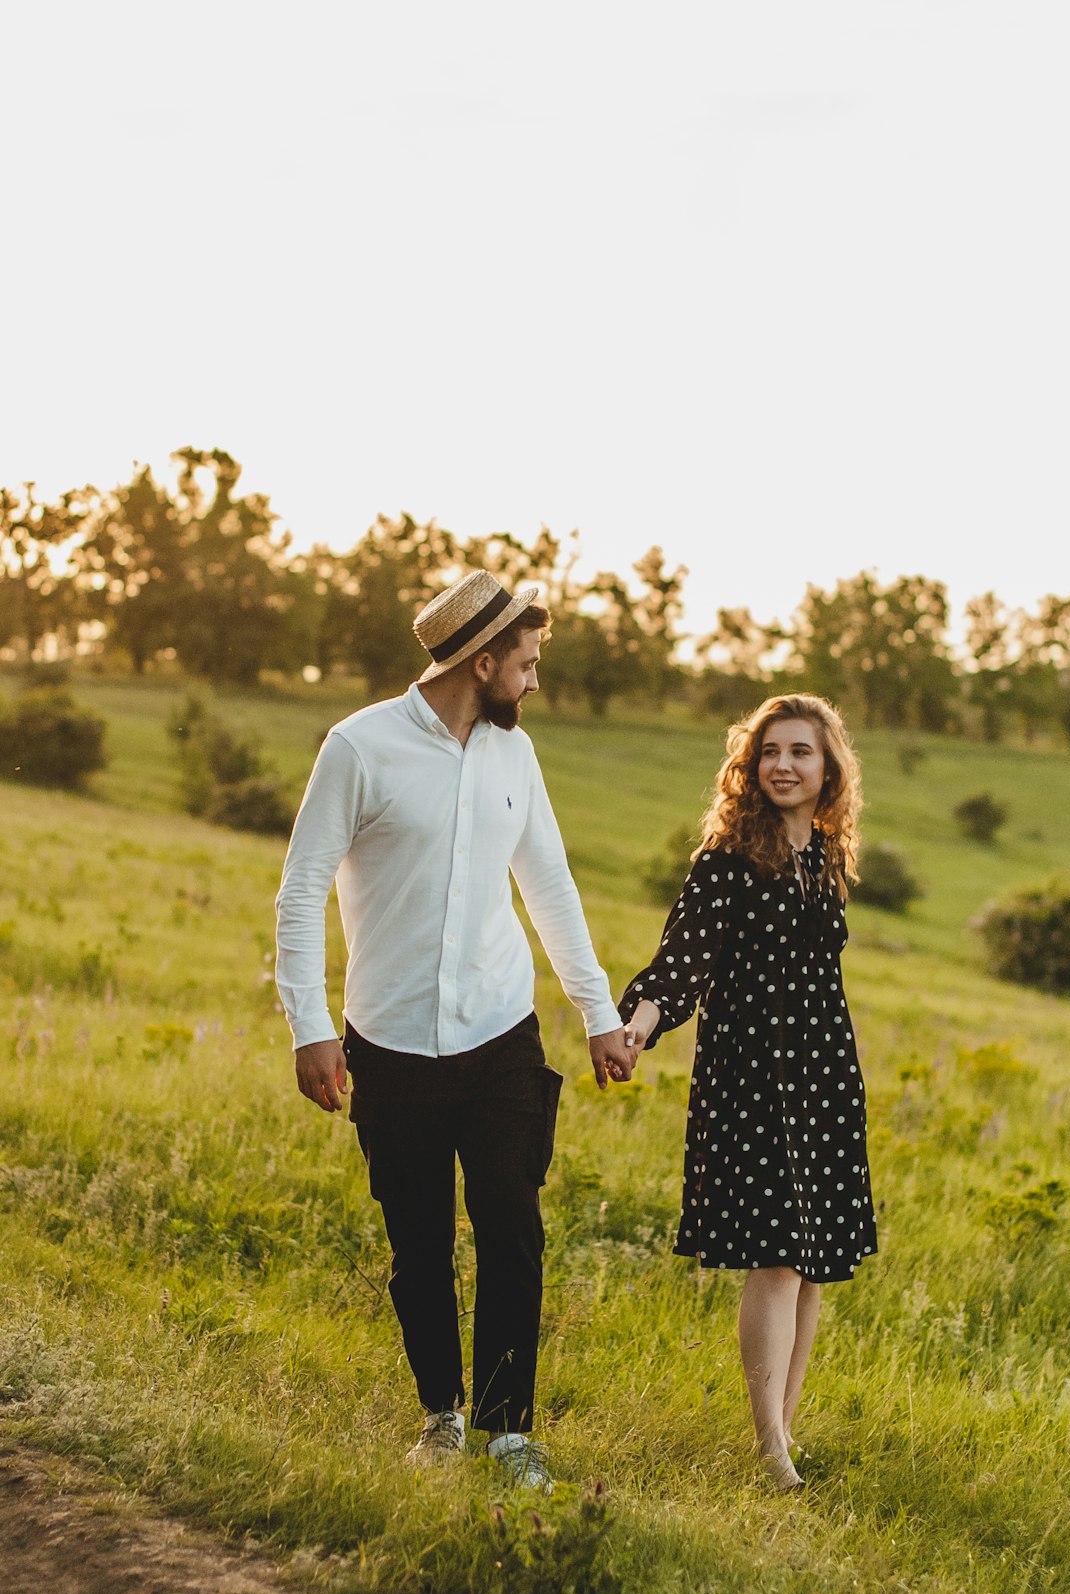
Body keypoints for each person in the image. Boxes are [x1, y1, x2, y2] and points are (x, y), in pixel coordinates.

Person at [275, 570, 635, 1492]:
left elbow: (549, 887)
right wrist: (310, 1026)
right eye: (527, 662)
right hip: (388, 1041)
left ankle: (512, 1433)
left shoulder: (515, 756)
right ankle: (442, 1414)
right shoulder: (360, 747)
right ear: (483, 660)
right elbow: (301, 889)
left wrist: (597, 1015)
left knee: (513, 1224)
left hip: (501, 1035)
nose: (535, 679)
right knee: (420, 1243)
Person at [620, 693, 876, 1491]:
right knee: (774, 1258)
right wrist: (638, 1025)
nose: (783, 765)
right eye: (770, 751)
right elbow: (683, 959)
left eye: (800, 751)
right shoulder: (728, 857)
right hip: (754, 1073)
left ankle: (785, 1432)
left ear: (828, 765)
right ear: (749, 763)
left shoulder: (825, 853)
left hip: (823, 1071)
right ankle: (768, 1446)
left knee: (809, 1263)